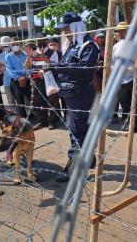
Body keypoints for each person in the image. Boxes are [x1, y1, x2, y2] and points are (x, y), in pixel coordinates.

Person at [49, 12, 100, 182]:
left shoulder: (88, 45)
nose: (64, 33)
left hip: (82, 94)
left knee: (77, 131)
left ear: (75, 27)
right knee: (79, 129)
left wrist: (57, 67)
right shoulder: (71, 46)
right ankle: (88, 158)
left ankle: (74, 168)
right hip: (69, 94)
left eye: (65, 29)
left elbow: (85, 70)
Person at [28, 39, 62, 129]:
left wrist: (43, 57)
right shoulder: (33, 53)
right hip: (37, 81)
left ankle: (52, 121)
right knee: (38, 101)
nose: (40, 43)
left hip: (49, 80)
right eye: (38, 41)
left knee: (52, 101)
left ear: (46, 43)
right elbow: (29, 66)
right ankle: (43, 121)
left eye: (42, 41)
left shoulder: (53, 52)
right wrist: (28, 57)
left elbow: (54, 65)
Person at [5, 42, 32, 118]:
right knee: (19, 100)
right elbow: (10, 70)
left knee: (32, 98)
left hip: (26, 79)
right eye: (13, 45)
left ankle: (34, 115)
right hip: (15, 81)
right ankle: (23, 118)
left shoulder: (26, 55)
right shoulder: (8, 56)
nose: (15, 46)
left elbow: (30, 67)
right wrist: (19, 78)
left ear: (20, 45)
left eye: (16, 44)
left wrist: (25, 77)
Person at [0, 36, 17, 114]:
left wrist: (5, 66)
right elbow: (2, 69)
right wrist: (1, 67)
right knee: (10, 98)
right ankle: (15, 114)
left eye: (7, 46)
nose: (5, 48)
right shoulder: (1, 55)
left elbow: (17, 66)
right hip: (6, 80)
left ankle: (26, 113)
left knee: (21, 98)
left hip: (16, 79)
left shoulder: (16, 53)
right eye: (4, 46)